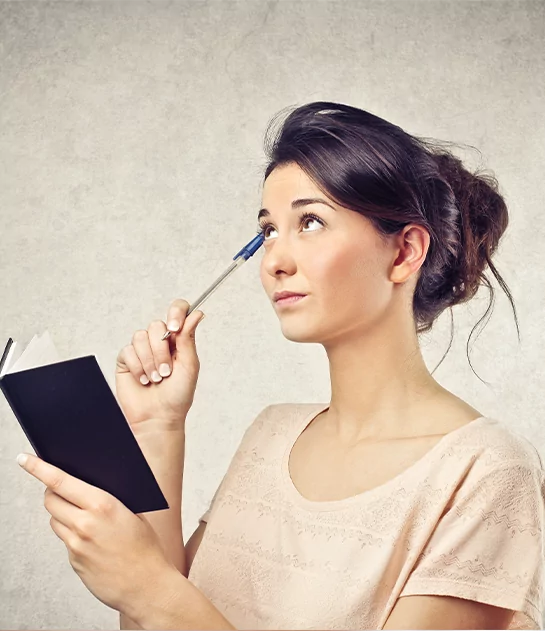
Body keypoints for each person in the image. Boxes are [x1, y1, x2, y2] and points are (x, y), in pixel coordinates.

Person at [113, 102, 544, 629]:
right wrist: (158, 426)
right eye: (268, 231)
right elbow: (149, 619)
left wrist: (148, 587)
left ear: (405, 252)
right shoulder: (270, 435)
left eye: (310, 221)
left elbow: (160, 601)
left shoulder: (486, 473)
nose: (274, 261)